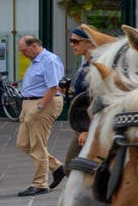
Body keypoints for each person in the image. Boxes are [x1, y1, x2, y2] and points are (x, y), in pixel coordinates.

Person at [14, 34, 66, 196]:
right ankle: (57, 167)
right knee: (23, 144)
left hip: (43, 103)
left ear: (34, 45)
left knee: (37, 145)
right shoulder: (35, 61)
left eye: (24, 50)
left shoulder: (49, 60)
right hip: (29, 103)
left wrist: (40, 106)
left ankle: (40, 184)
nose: (22, 54)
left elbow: (53, 86)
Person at [62, 27, 97, 165]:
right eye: (71, 41)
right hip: (82, 123)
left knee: (71, 165)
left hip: (87, 124)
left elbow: (96, 98)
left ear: (89, 42)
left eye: (75, 41)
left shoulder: (94, 65)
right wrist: (70, 91)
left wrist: (87, 129)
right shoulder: (85, 63)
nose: (72, 45)